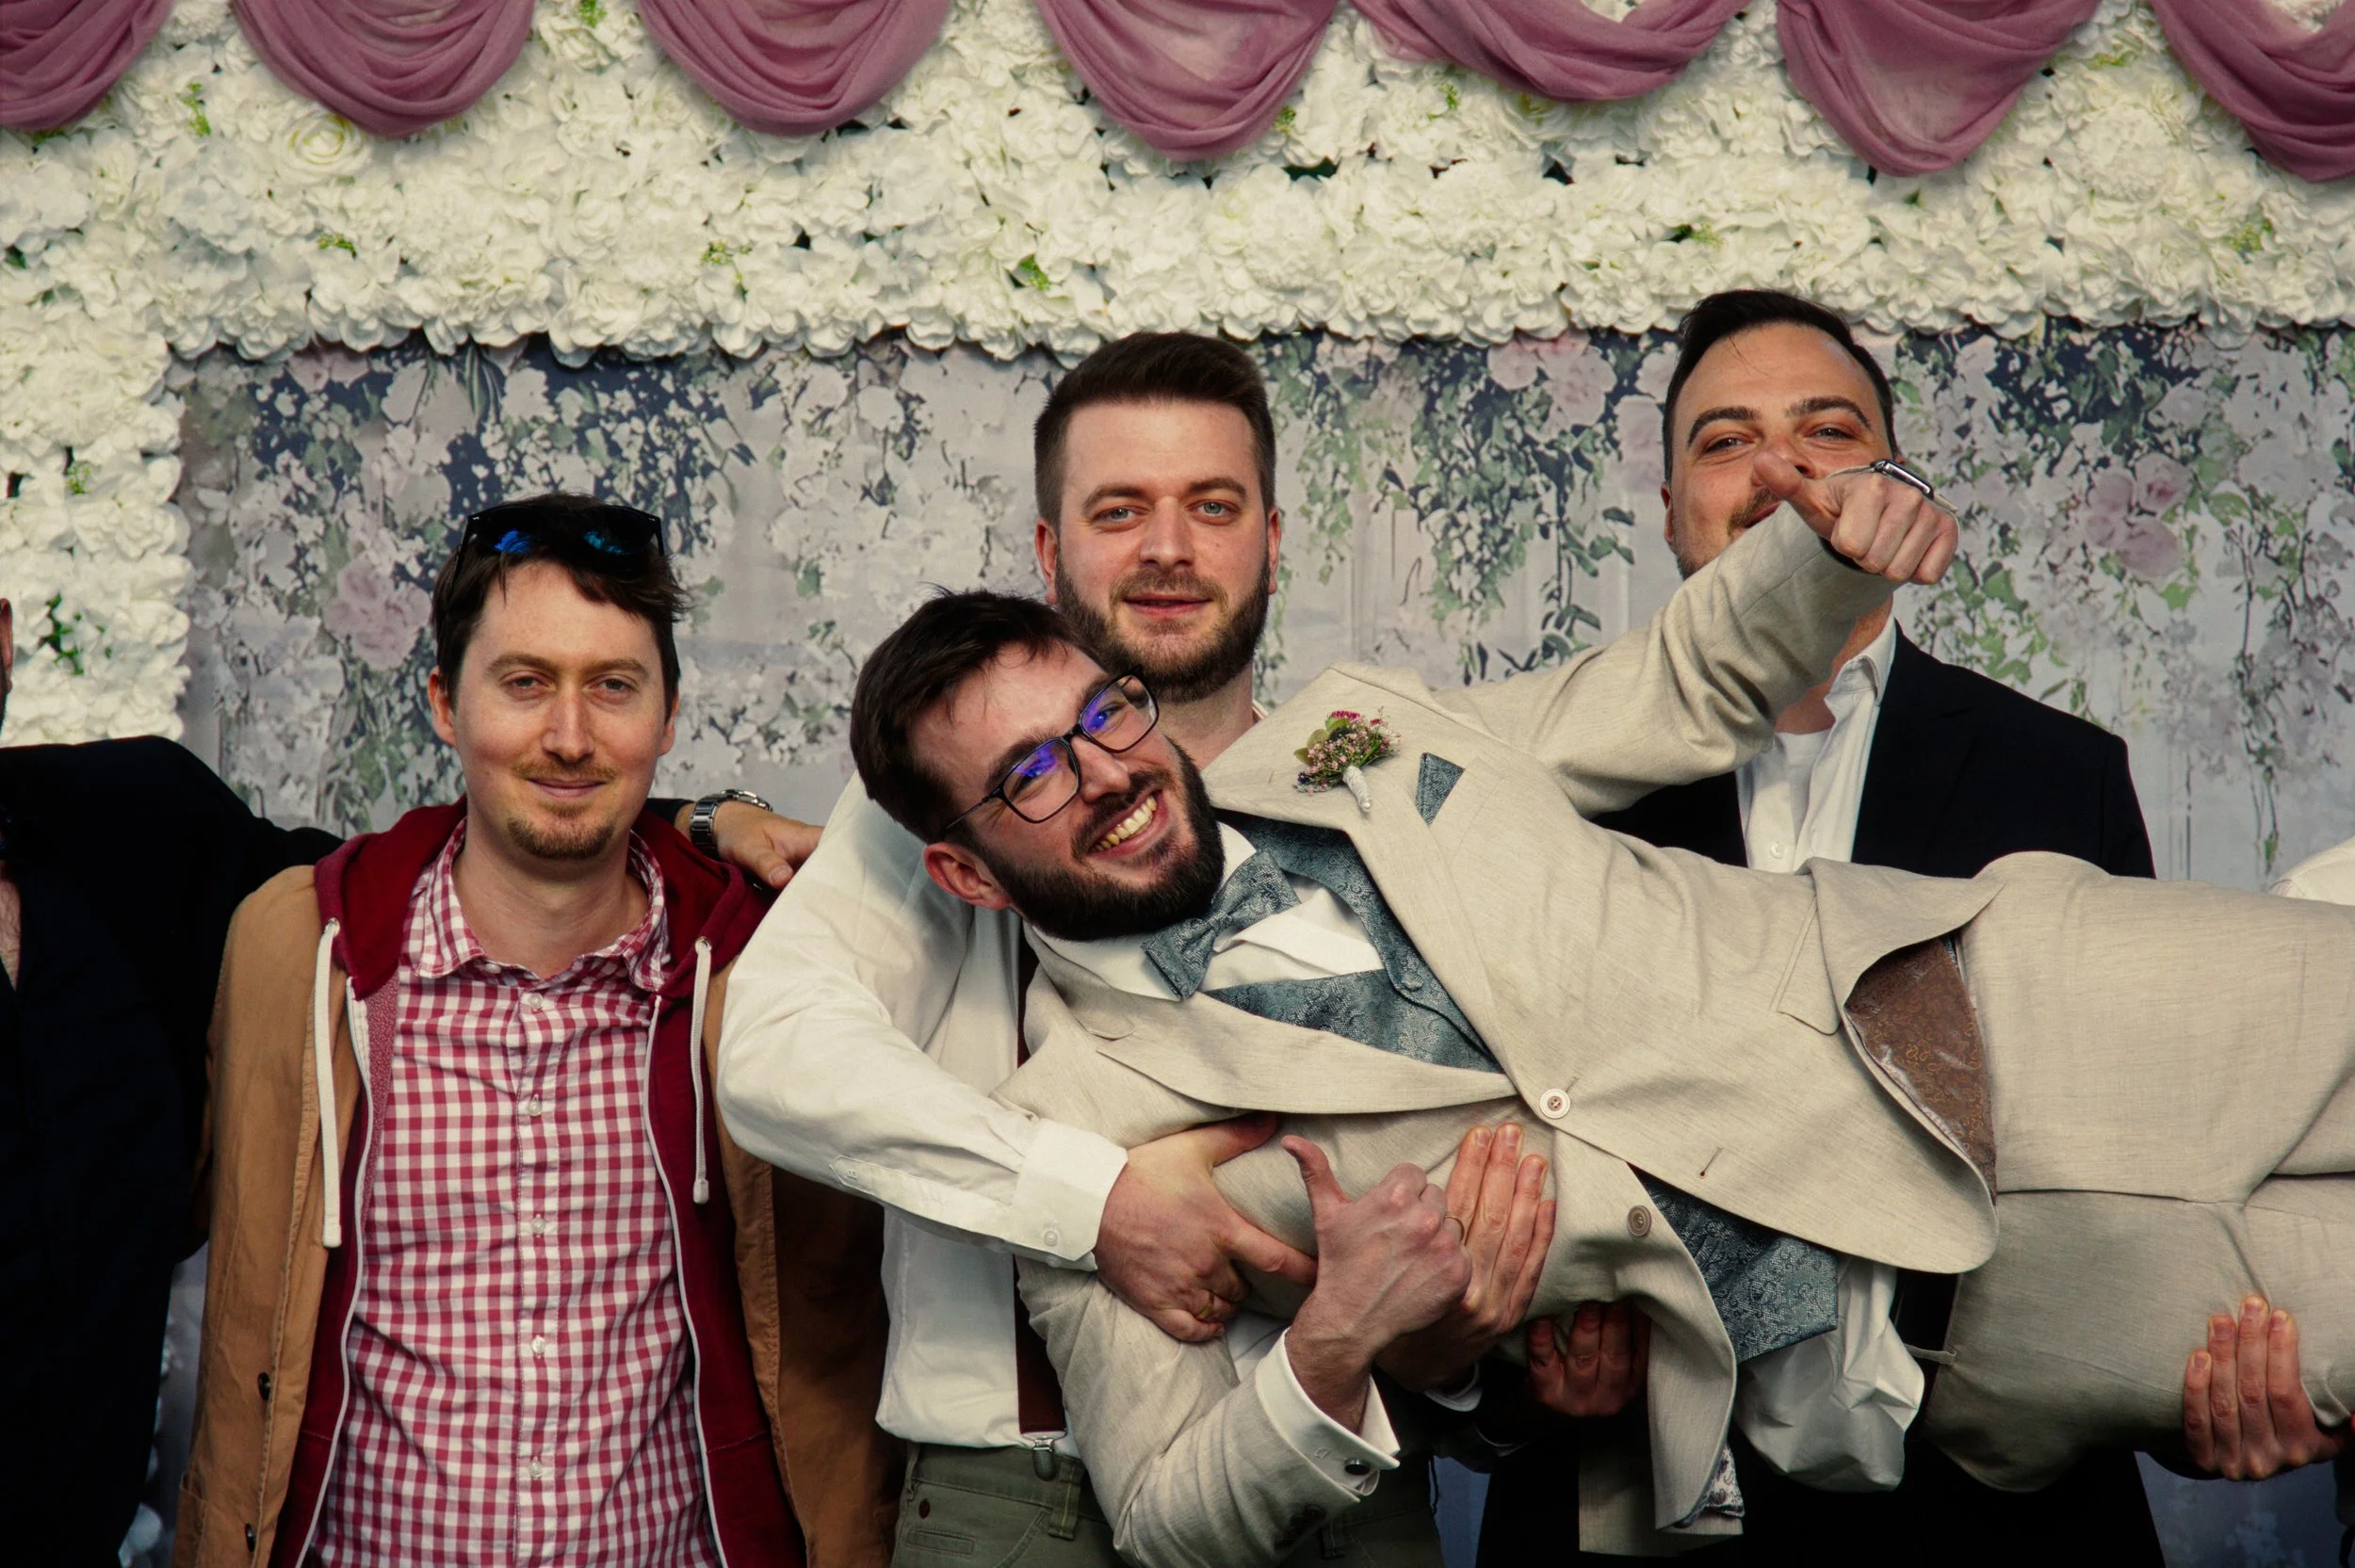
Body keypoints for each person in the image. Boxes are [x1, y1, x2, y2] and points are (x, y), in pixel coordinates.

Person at [842, 557, 2355, 1567]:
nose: (1107, 771)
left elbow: (1677, 686)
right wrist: (1340, 1341)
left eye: (1101, 713)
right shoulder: (1077, 1144)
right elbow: (1169, 1514)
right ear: (967, 873)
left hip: (2008, 1000)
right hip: (1945, 1327)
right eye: (1031, 775)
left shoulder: (1350, 734)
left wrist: (1828, 545)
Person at [714, 333, 1941, 1561]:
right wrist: (1104, 1203)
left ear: (1271, 536)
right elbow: (776, 1062)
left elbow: (1670, 690)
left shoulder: (1376, 753)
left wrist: (1485, 1355)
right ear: (1050, 552)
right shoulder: (926, 806)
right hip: (1024, 1496)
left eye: (1213, 505)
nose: (1168, 549)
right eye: (1119, 509)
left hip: (1352, 1468)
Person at [1482, 287, 2165, 1563]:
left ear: (1899, 489)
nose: (1779, 470)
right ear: (1675, 510)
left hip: (1987, 1508)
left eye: (1828, 430)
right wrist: (1532, 1369)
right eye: (1725, 440)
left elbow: (2129, 1152)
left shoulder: (2055, 774)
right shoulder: (1545, 785)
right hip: (1635, 1485)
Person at [171, 496, 900, 1568]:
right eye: (524, 684)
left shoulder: (764, 969)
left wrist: (713, 819)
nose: (569, 736)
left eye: (613, 687)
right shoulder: (297, 949)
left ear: (668, 714)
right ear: (443, 705)